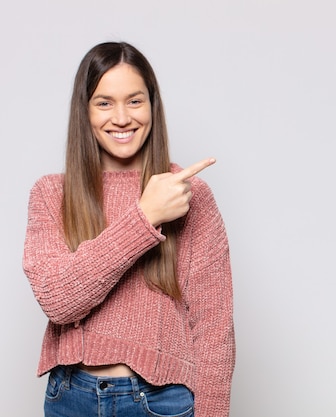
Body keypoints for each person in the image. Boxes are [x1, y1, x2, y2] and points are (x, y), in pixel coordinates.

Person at [23, 41, 235, 417]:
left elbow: (214, 330)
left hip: (161, 402)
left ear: (152, 105)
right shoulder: (51, 193)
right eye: (104, 103)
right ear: (85, 111)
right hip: (71, 398)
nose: (121, 117)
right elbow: (59, 301)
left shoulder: (189, 194)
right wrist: (145, 216)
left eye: (135, 101)